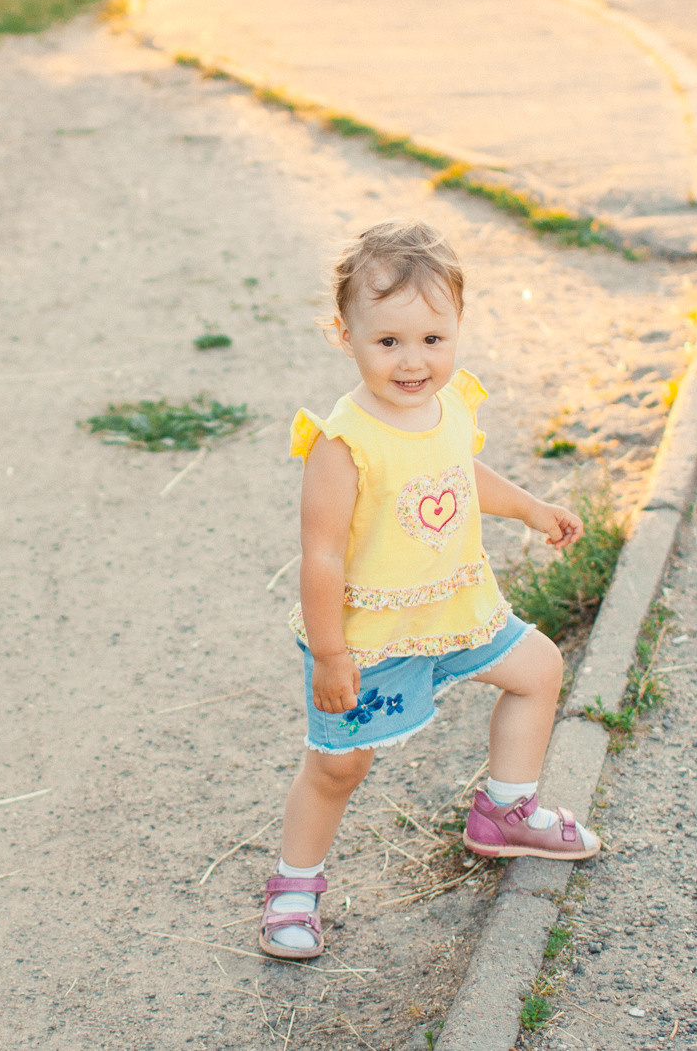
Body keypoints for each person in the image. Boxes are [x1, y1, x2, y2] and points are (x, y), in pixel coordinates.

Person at [259, 219, 601, 961]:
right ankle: (294, 884)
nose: (413, 361)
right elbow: (319, 556)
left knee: (538, 670)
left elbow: (459, 476)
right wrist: (329, 652)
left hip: (455, 606)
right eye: (388, 342)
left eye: (432, 340)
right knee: (339, 765)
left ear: (457, 330)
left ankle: (507, 811)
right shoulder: (342, 442)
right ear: (345, 334)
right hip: (371, 632)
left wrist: (532, 508)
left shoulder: (451, 405)